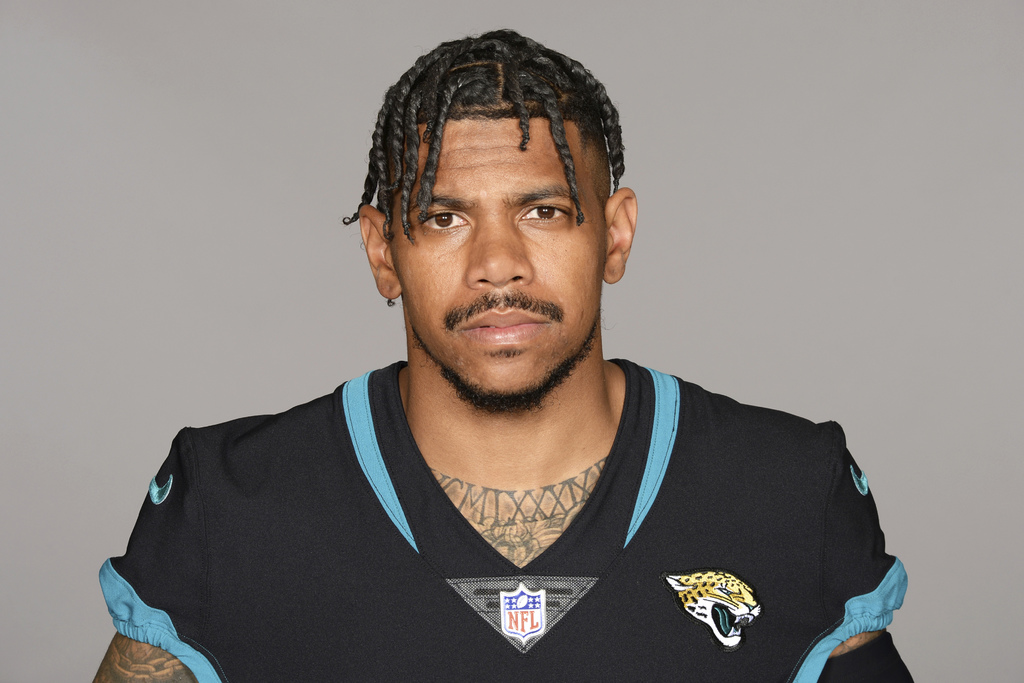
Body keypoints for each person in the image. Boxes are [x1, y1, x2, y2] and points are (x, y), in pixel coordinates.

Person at [94, 29, 911, 682]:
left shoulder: (787, 489)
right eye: (443, 217)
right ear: (382, 252)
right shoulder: (230, 504)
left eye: (544, 211)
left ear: (614, 234)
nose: (497, 263)